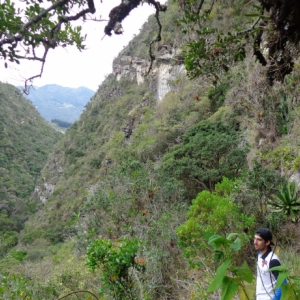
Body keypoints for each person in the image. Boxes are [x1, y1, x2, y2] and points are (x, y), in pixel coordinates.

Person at [254, 228, 284, 300]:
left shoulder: (273, 261)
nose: (255, 242)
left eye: (259, 240)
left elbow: (283, 285)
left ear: (267, 242)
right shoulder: (259, 255)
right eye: (255, 239)